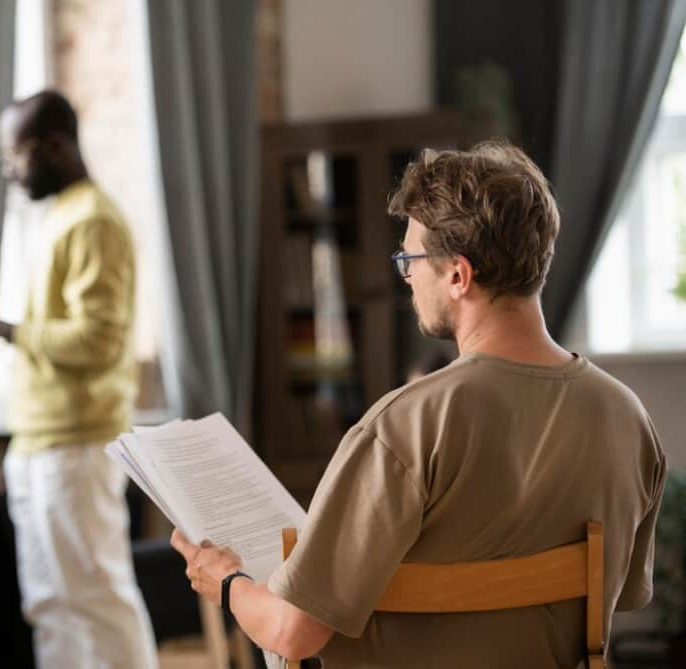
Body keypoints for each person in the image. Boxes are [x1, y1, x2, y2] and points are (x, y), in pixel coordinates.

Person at [171, 142, 666, 668]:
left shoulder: (405, 427)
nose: (406, 276)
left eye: (411, 259)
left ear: (458, 275)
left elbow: (292, 634)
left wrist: (227, 581)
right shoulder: (627, 417)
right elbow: (624, 595)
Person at [0, 90, 158, 668]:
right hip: (38, 441)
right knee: (50, 604)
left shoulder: (94, 220)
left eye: (15, 155)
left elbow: (98, 340)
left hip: (79, 444)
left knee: (97, 600)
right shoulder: (62, 216)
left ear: (56, 146)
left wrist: (4, 328)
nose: (10, 171)